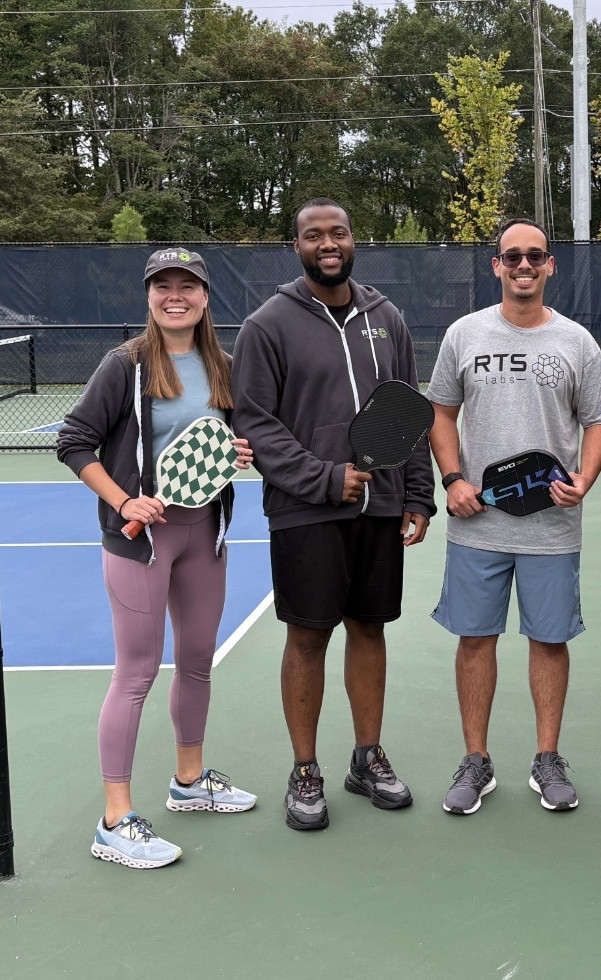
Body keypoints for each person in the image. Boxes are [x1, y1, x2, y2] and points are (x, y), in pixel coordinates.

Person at [230, 199, 435, 832]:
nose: (328, 243)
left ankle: (366, 757)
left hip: (379, 507)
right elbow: (255, 423)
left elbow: (407, 409)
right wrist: (324, 479)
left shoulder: (387, 317)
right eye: (314, 235)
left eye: (338, 233)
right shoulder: (267, 325)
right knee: (308, 636)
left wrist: (418, 493)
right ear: (296, 246)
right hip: (304, 512)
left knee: (369, 629)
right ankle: (305, 769)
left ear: (352, 240)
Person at [57, 247, 257, 870]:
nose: (176, 296)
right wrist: (124, 502)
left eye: (187, 286)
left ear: (204, 296)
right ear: (148, 297)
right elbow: (74, 441)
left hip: (205, 535)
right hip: (142, 541)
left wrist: (236, 456)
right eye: (163, 286)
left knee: (197, 661)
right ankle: (114, 819)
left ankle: (188, 781)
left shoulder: (221, 365)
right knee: (137, 673)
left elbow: (213, 445)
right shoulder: (125, 366)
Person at [427, 218, 601, 815]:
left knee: (548, 641)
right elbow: (442, 414)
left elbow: (598, 422)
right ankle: (475, 761)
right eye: (513, 256)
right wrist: (452, 480)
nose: (524, 265)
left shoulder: (578, 342)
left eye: (535, 256)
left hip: (551, 527)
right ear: (497, 266)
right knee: (475, 640)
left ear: (551, 265)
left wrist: (583, 479)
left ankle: (547, 758)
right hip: (477, 524)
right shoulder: (463, 335)